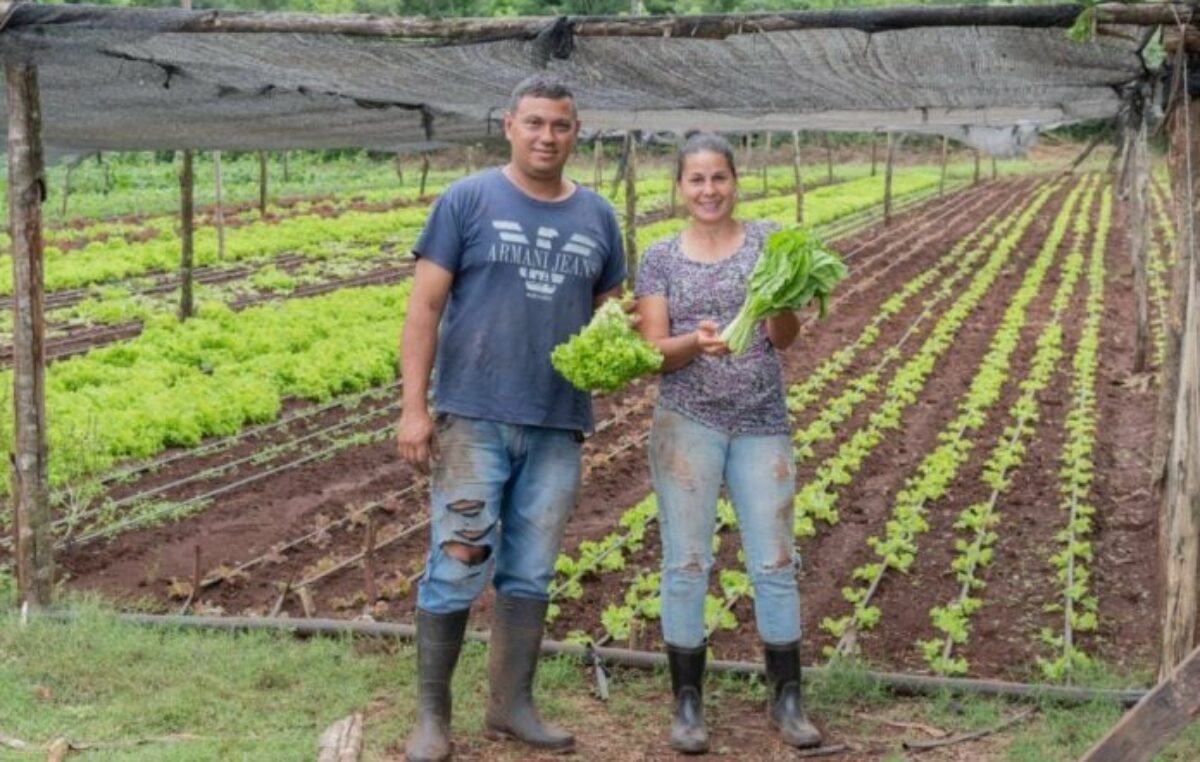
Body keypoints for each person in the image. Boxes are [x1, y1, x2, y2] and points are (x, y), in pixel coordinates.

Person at [396, 74, 626, 762]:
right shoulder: (468, 200)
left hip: (557, 422)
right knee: (458, 558)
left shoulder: (599, 218)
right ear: (509, 125)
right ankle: (433, 719)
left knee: (530, 569)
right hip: (474, 415)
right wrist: (414, 408)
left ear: (575, 132)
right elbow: (424, 308)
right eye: (534, 123)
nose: (546, 137)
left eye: (559, 125)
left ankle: (511, 706)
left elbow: (615, 316)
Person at [635, 133, 821, 753]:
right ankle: (687, 704)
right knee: (686, 562)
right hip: (687, 421)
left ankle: (787, 700)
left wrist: (783, 305)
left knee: (773, 561)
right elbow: (656, 355)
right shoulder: (659, 256)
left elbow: (784, 339)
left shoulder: (769, 242)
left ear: (735, 181)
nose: (708, 190)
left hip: (762, 421)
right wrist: (696, 342)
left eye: (719, 178)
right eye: (696, 180)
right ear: (680, 188)